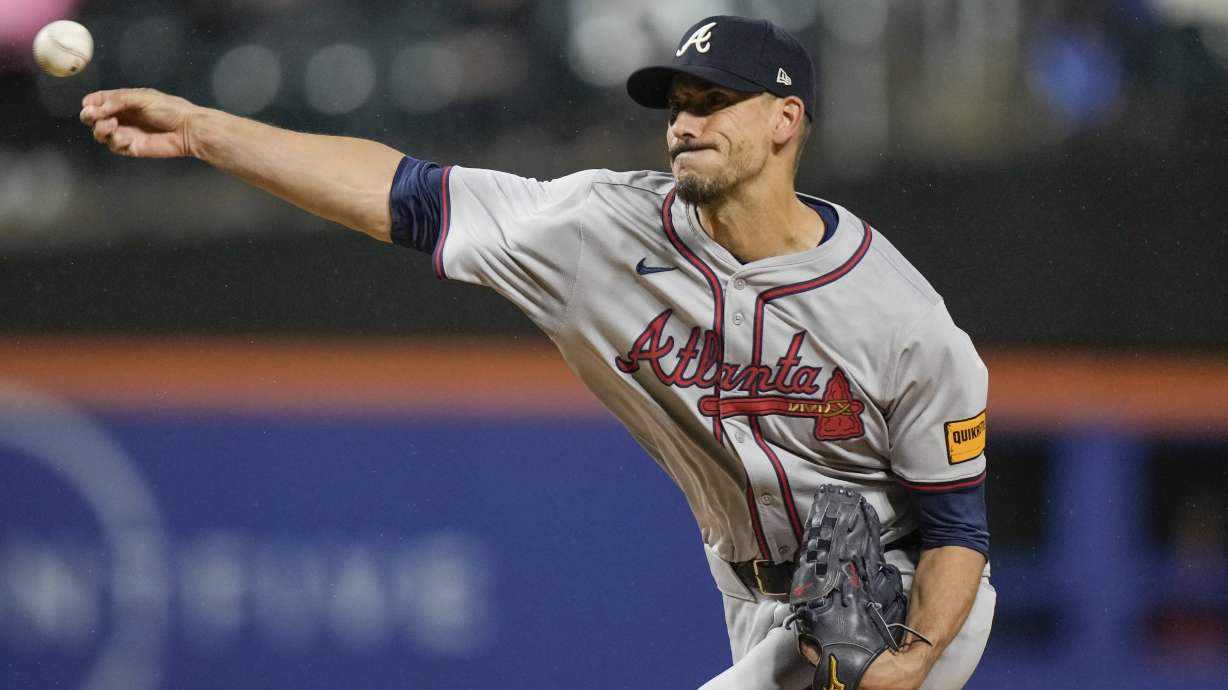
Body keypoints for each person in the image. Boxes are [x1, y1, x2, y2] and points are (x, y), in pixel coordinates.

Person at [79, 15, 994, 690]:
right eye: (677, 105)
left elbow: (959, 529)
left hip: (898, 598)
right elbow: (403, 195)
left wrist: (909, 661)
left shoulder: (897, 312)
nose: (684, 123)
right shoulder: (597, 228)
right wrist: (205, 130)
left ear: (785, 120)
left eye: (714, 103)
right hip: (762, 602)